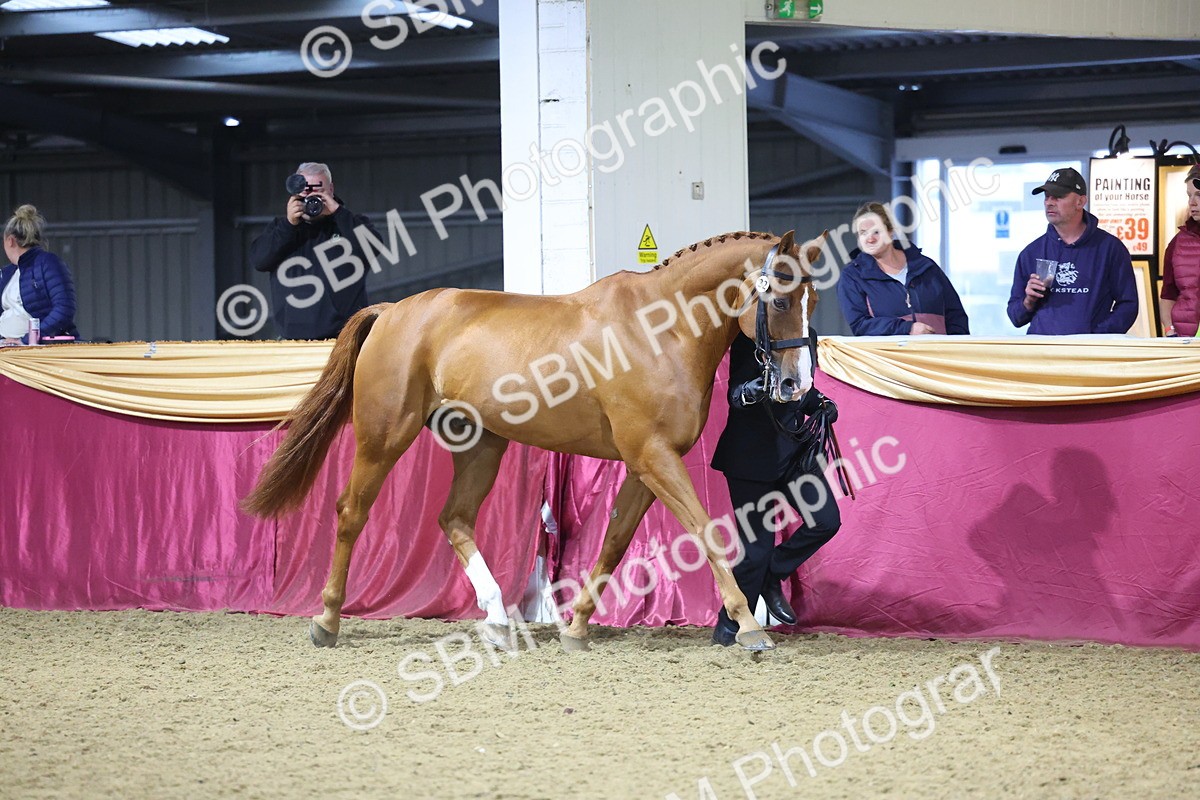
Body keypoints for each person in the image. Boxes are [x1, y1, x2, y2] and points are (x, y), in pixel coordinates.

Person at [708, 332, 841, 646]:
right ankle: (732, 625)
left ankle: (774, 573)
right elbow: (736, 394)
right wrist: (751, 392)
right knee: (756, 551)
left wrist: (820, 403)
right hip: (749, 458)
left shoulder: (806, 336)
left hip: (794, 452)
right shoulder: (747, 341)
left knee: (825, 521)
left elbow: (800, 389)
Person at [249, 162, 378, 339]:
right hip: (292, 341)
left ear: (331, 189)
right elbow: (259, 261)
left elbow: (374, 247)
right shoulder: (281, 228)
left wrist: (337, 212)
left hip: (344, 340)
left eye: (319, 190)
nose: (312, 198)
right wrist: (288, 225)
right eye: (306, 191)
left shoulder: (349, 224)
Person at [1007, 167, 1137, 335]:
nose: (1049, 202)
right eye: (1047, 196)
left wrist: (1097, 337)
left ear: (1081, 202)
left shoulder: (1110, 248)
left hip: (1090, 355)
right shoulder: (1032, 252)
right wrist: (1029, 301)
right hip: (1042, 354)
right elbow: (1015, 317)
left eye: (1059, 196)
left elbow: (1128, 305)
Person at [837, 202, 969, 335]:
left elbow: (955, 315)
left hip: (935, 354)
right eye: (863, 233)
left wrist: (955, 349)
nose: (870, 239)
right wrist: (907, 328)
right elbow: (860, 325)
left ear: (891, 231)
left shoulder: (926, 267)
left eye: (876, 232)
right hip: (888, 355)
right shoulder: (853, 276)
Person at [1, 204, 80, 344]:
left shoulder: (47, 262)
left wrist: (26, 340)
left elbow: (64, 309)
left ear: (10, 241)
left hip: (34, 350)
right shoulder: (7, 273)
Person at [1159, 165, 1200, 337]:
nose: (1192, 202)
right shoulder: (1177, 243)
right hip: (1186, 342)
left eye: (1198, 194)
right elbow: (1168, 295)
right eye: (1189, 195)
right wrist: (1170, 331)